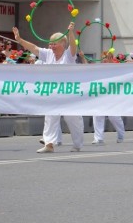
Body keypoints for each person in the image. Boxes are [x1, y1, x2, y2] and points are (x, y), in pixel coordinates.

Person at [12, 23, 84, 153]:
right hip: (53, 93)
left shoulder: (69, 55)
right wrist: (19, 40)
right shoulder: (48, 54)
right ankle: (49, 143)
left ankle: (77, 144)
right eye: (50, 44)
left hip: (69, 93)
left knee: (72, 119)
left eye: (54, 44)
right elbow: (34, 48)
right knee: (50, 116)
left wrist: (71, 33)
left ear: (62, 43)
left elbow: (73, 46)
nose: (51, 46)